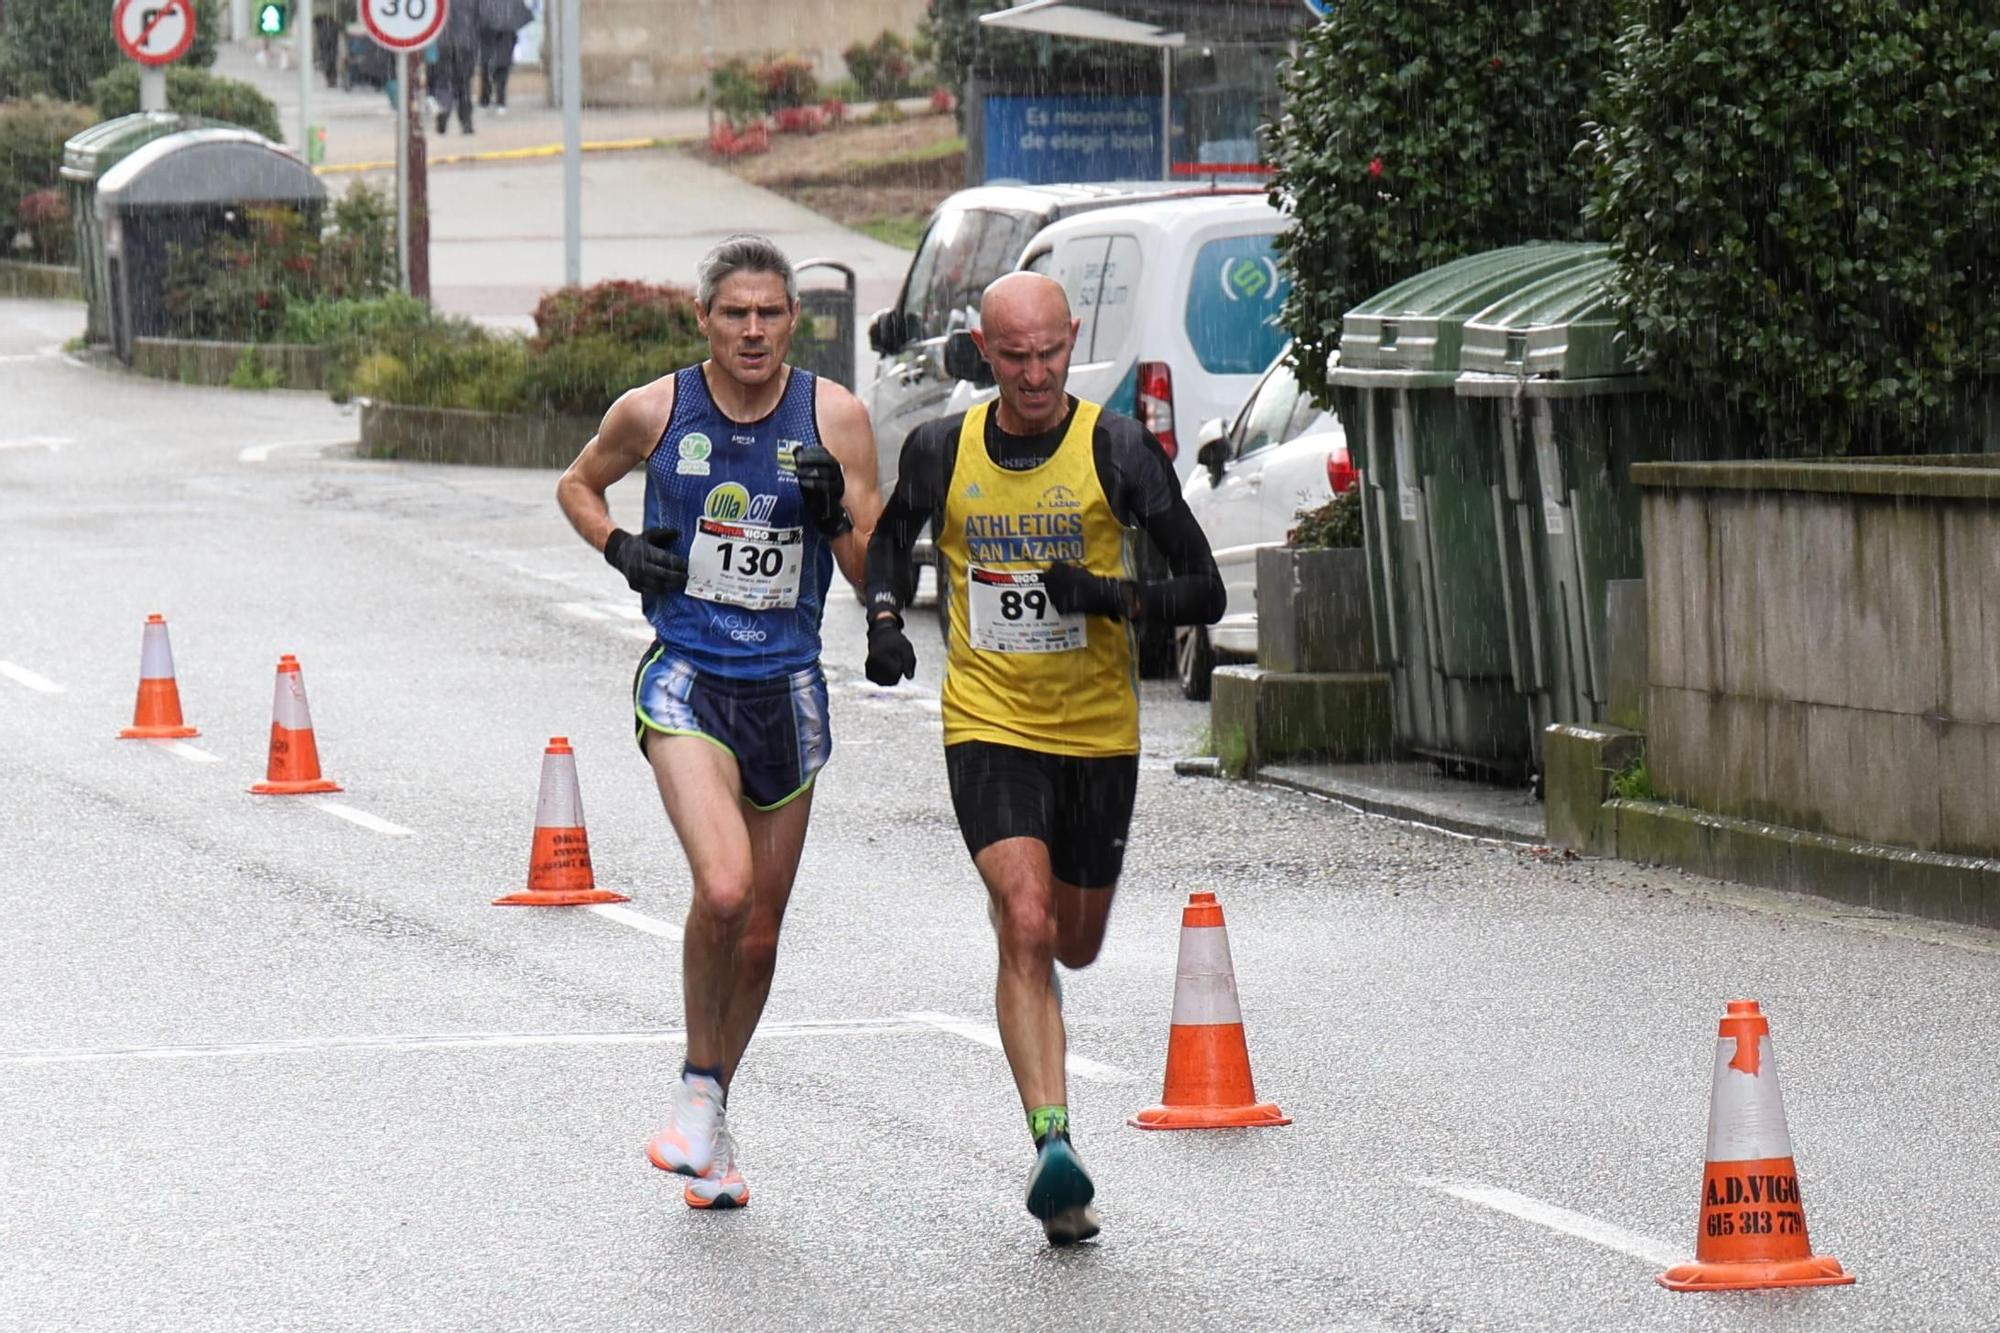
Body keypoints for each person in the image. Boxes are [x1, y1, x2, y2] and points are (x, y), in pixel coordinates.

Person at [862, 272, 1224, 1245]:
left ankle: (1037, 987)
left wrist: (1110, 597)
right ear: (983, 349)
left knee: (1071, 941)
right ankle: (1052, 1149)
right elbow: (890, 543)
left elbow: (1205, 591)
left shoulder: (1113, 448)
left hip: (1096, 733)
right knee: (1022, 918)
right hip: (986, 718)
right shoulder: (945, 447)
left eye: (1048, 354)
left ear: (1071, 342)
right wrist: (887, 620)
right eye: (1012, 356)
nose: (1031, 374)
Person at [555, 235, 881, 1211]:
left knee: (761, 936)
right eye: (733, 313)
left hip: (786, 690)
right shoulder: (655, 409)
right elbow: (576, 483)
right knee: (726, 885)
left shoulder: (837, 417)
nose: (752, 331)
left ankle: (712, 1118)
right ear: (704, 319)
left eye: (769, 314)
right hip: (688, 677)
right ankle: (697, 1086)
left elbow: (876, 571)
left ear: (794, 320)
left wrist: (836, 522)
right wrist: (619, 547)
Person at [431, 0, 480, 135]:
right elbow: (481, 19)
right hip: (466, 44)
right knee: (464, 85)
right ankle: (466, 122)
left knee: (445, 80)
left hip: (445, 44)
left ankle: (444, 108)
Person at [475, 0, 533, 115]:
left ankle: (487, 99)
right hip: (503, 34)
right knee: (500, 68)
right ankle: (499, 101)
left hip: (491, 33)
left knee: (488, 66)